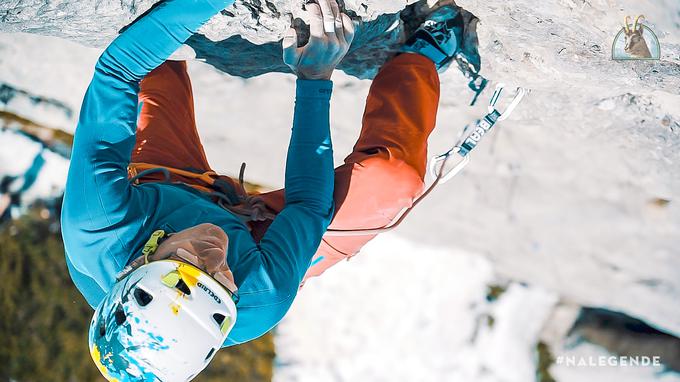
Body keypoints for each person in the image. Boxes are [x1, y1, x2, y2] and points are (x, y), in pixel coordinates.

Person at [61, 0, 472, 379]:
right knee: (391, 182)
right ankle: (416, 59)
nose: (215, 250)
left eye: (186, 260)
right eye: (222, 278)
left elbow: (117, 70)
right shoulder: (257, 302)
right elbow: (308, 206)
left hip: (162, 180)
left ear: (136, 265)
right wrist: (314, 77)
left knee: (148, 41)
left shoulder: (99, 223)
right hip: (258, 238)